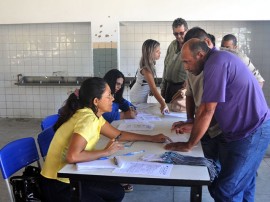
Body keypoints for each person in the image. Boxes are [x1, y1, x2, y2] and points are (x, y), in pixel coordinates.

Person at [166, 38, 270, 201]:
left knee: (226, 191)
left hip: (252, 132)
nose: (186, 67)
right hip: (240, 132)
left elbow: (207, 109)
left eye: (187, 62)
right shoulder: (215, 61)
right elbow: (207, 107)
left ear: (200, 55)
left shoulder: (216, 64)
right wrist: (192, 123)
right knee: (243, 184)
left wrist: (189, 145)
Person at [40, 77, 171, 202]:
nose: (113, 99)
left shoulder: (93, 115)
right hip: (58, 183)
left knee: (116, 192)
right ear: (96, 101)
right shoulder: (88, 119)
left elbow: (118, 135)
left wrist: (151, 138)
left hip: (73, 174)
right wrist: (106, 152)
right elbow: (72, 156)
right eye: (108, 96)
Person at [130, 39, 169, 114]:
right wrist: (163, 103)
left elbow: (150, 84)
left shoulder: (150, 64)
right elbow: (154, 88)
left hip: (138, 93)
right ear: (150, 53)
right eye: (157, 51)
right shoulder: (146, 69)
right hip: (138, 95)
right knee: (139, 114)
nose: (160, 52)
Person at [161, 18, 188, 103]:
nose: (179, 36)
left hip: (182, 88)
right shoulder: (172, 45)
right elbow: (166, 65)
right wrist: (163, 86)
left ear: (187, 30)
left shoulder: (191, 46)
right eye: (176, 34)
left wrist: (188, 86)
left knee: (180, 114)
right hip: (168, 87)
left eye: (181, 33)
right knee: (167, 113)